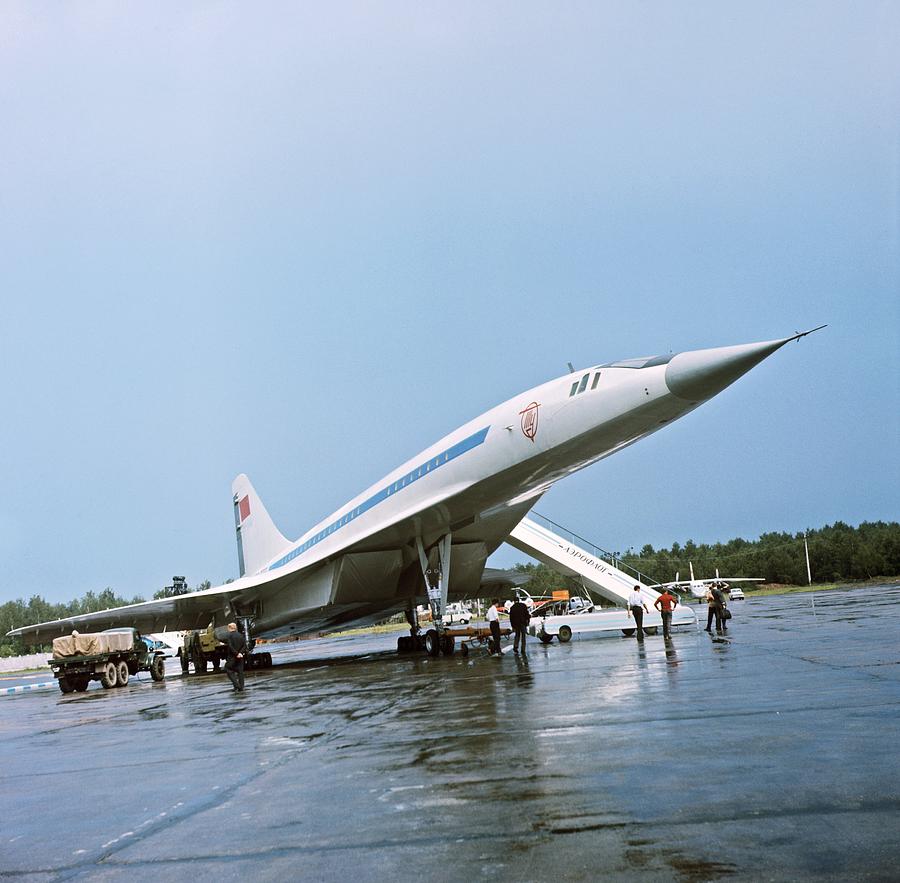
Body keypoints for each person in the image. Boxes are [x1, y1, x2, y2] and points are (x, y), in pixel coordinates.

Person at [224, 622, 248, 692]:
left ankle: (237, 685)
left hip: (232, 657)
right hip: (240, 656)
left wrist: (236, 653)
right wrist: (240, 653)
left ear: (229, 628)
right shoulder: (241, 635)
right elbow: (244, 645)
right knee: (240, 672)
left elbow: (230, 646)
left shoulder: (229, 636)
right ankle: (241, 687)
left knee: (228, 669)